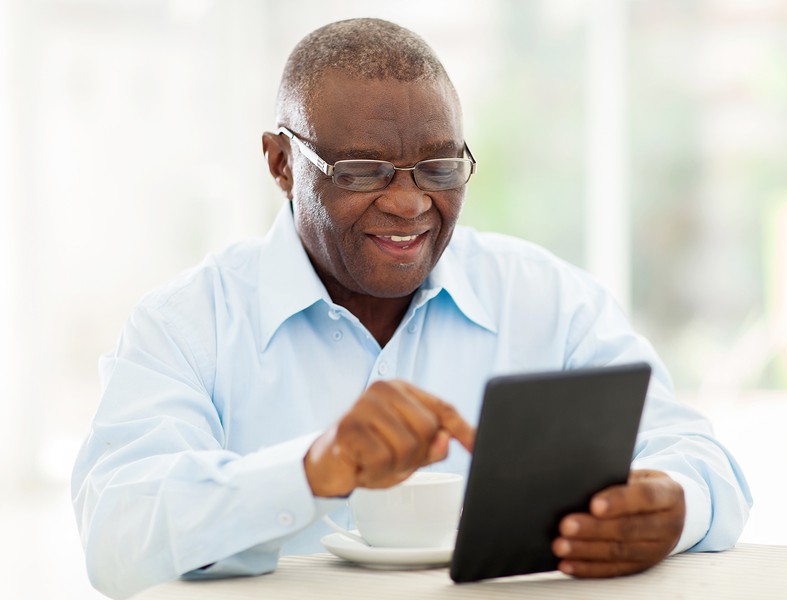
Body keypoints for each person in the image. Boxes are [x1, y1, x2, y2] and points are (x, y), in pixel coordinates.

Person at [71, 17, 751, 599]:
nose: (408, 202)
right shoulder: (187, 324)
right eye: (361, 171)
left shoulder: (548, 301)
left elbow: (702, 458)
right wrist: (311, 469)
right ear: (281, 164)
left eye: (440, 167)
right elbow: (117, 534)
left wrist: (673, 505)